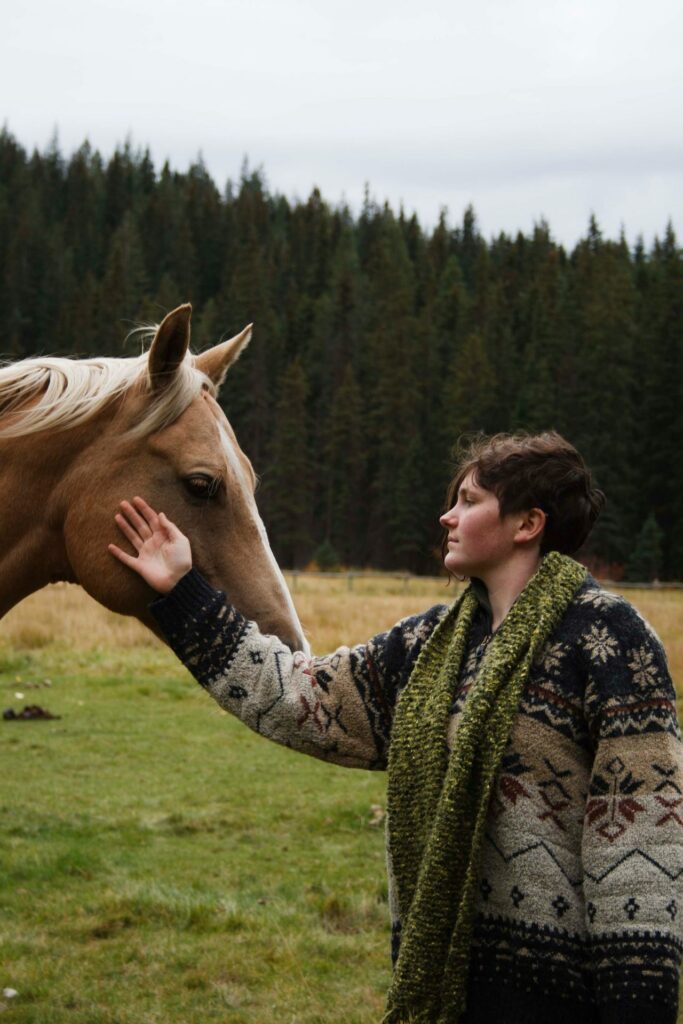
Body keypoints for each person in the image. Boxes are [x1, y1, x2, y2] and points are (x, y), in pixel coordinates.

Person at [109, 431, 683, 1024]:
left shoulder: (608, 638)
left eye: (469, 500)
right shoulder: (427, 645)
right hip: (445, 990)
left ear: (527, 524)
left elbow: (642, 844)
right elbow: (302, 698)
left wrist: (639, 1007)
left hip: (564, 1001)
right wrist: (184, 593)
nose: (447, 516)